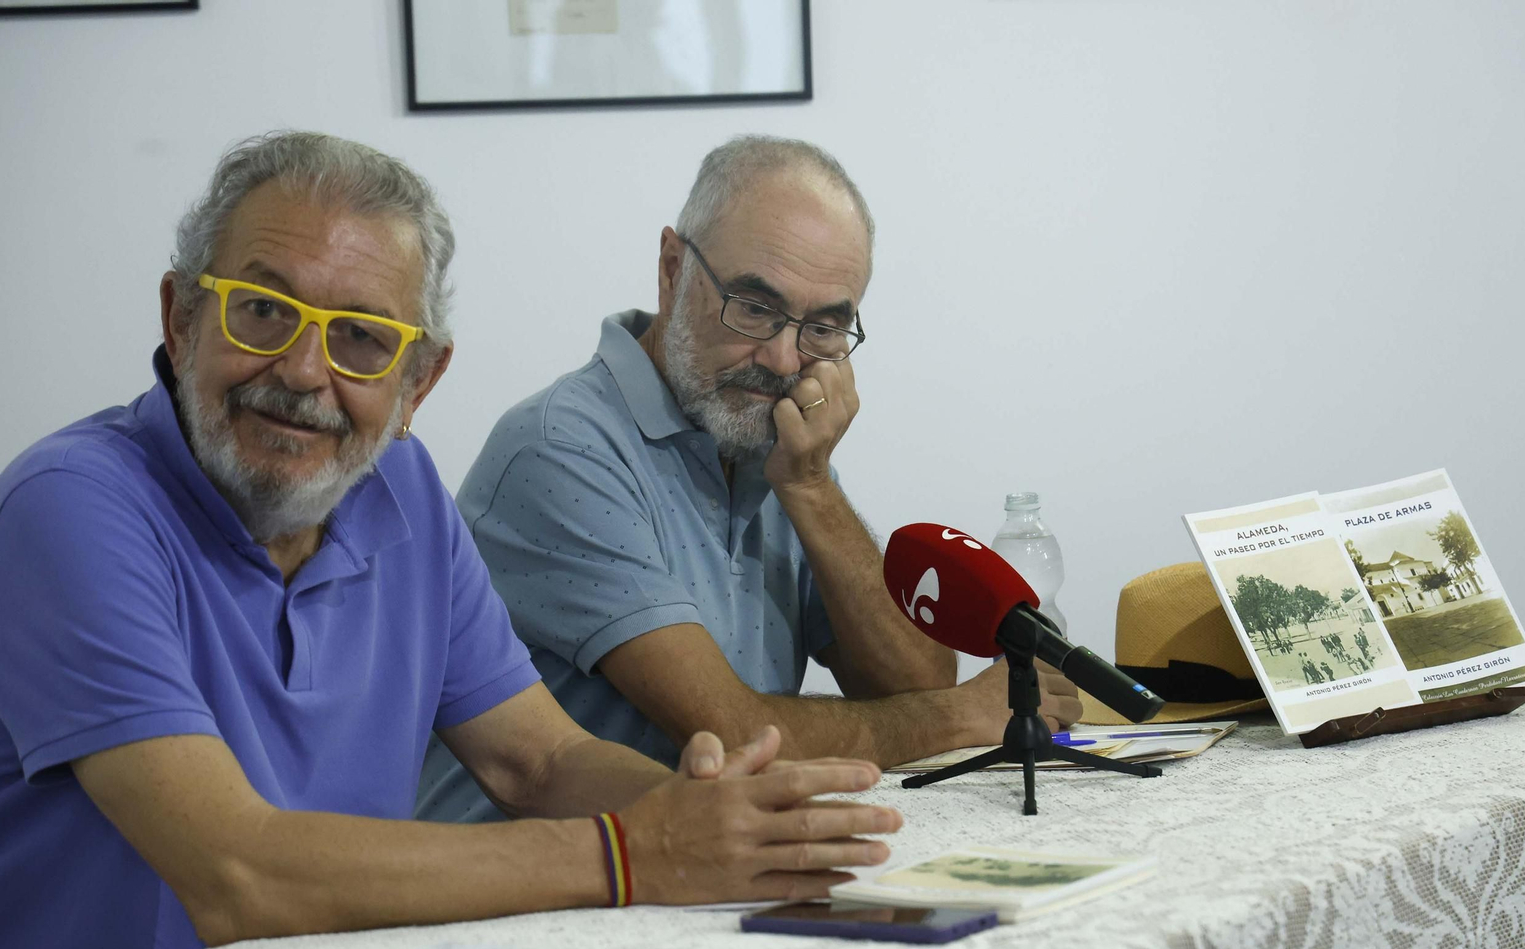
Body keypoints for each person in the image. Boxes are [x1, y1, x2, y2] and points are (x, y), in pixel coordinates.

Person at [0, 131, 900, 949]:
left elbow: (540, 764)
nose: (306, 372)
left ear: (419, 380)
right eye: (261, 312)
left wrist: (726, 821)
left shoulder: (403, 490)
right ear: (180, 318)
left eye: (361, 338)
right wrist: (637, 854)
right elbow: (235, 872)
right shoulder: (70, 505)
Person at [417, 136, 1080, 823]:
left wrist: (812, 487)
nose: (784, 357)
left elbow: (916, 679)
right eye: (756, 307)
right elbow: (730, 736)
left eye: (825, 326)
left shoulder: (768, 440)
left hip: (708, 869)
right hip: (539, 894)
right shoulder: (561, 448)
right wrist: (957, 718)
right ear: (672, 268)